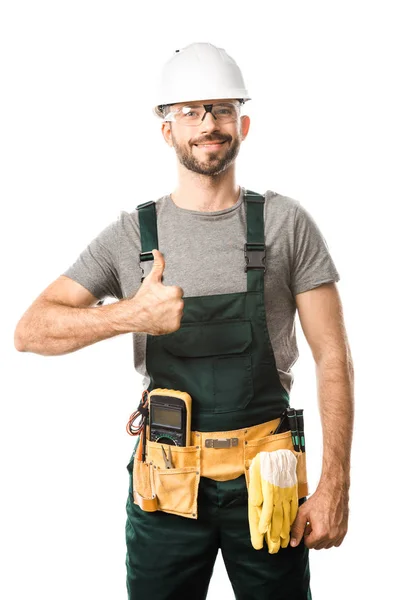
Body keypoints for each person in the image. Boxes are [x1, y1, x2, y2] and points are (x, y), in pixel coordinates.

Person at [14, 42, 354, 600]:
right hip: (167, 485)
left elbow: (333, 356)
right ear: (166, 129)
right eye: (190, 111)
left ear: (241, 122)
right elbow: (30, 330)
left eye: (220, 109)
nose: (208, 123)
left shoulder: (286, 224)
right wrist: (129, 315)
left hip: (267, 482)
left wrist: (335, 482)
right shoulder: (132, 237)